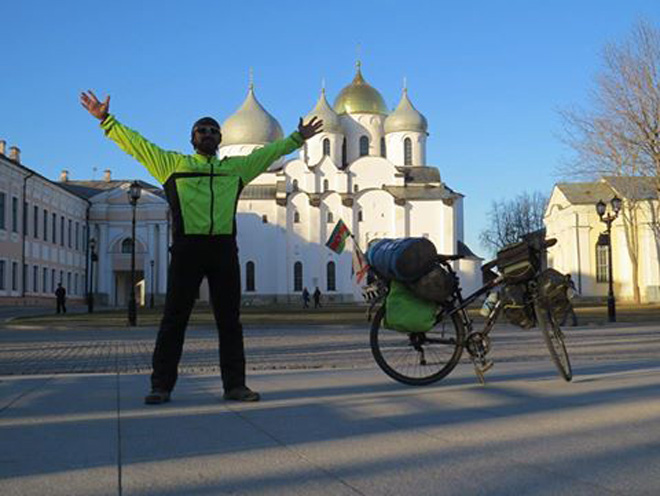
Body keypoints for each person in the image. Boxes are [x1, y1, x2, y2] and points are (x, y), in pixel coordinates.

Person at [80, 90, 322, 405]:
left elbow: (266, 155)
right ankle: (161, 386)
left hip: (223, 250)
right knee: (173, 319)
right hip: (187, 249)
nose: (207, 134)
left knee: (230, 321)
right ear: (192, 139)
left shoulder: (234, 169)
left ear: (220, 139)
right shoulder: (171, 165)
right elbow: (138, 146)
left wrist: (296, 139)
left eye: (212, 131)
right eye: (201, 130)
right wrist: (106, 121)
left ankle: (235, 386)